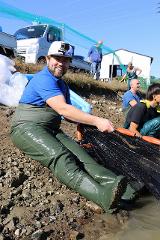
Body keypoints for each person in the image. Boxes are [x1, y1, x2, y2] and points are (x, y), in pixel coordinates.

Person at [10, 41, 128, 213]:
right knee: (62, 157)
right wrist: (96, 120)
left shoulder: (62, 85)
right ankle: (103, 196)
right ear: (47, 59)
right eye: (57, 58)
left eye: (65, 60)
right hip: (25, 129)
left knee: (82, 156)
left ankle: (123, 190)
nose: (61, 63)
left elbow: (68, 115)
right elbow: (63, 108)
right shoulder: (43, 78)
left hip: (51, 129)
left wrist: (88, 122)